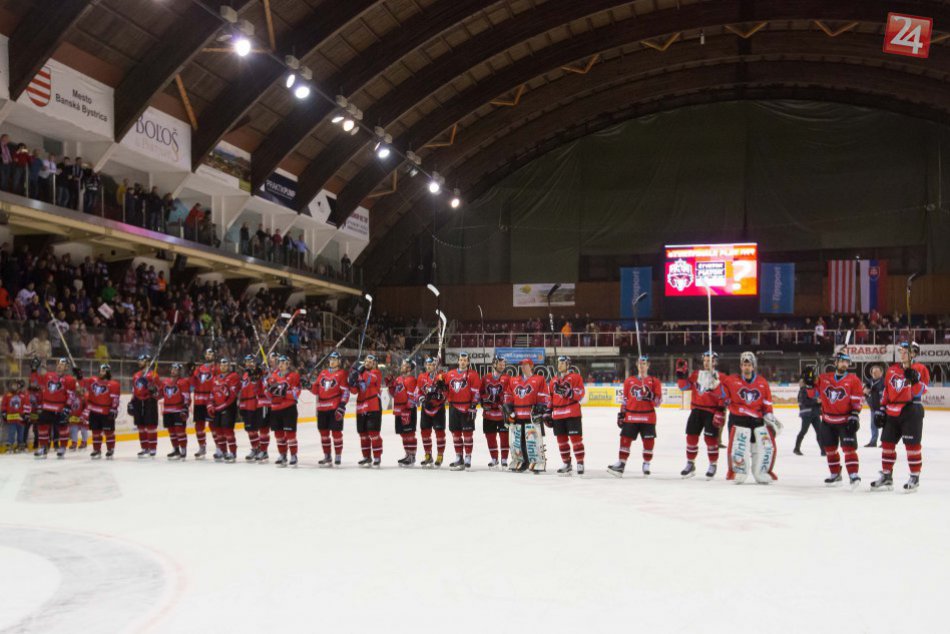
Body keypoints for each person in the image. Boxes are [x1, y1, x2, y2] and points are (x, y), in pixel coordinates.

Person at [873, 341, 929, 492]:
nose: (903, 354)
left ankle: (914, 476)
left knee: (912, 446)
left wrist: (915, 380)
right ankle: (887, 475)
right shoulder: (892, 370)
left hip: (911, 409)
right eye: (901, 351)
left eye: (906, 352)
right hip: (892, 410)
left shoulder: (920, 369)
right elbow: (886, 391)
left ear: (913, 354)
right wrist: (881, 409)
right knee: (887, 444)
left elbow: (922, 391)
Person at [720, 351, 782, 484]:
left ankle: (761, 472)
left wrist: (770, 417)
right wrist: (714, 384)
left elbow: (767, 404)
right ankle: (737, 471)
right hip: (737, 419)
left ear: (753, 366)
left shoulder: (762, 382)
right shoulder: (731, 380)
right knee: (738, 447)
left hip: (756, 420)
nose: (746, 367)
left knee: (758, 448)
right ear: (740, 366)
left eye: (749, 365)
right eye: (744, 365)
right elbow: (721, 392)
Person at [674, 352, 726, 479]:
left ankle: (713, 464)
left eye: (710, 361)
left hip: (711, 412)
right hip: (696, 410)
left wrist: (720, 410)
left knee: (710, 440)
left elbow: (725, 396)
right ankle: (690, 464)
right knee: (691, 437)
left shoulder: (721, 376)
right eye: (705, 360)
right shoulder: (696, 374)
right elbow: (684, 387)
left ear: (715, 362)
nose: (707, 363)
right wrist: (681, 375)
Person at [816, 351, 864, 488]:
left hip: (845, 420)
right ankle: (835, 474)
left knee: (849, 449)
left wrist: (855, 414)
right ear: (836, 362)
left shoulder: (853, 379)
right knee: (830, 449)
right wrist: (808, 382)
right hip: (827, 420)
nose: (844, 364)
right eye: (842, 361)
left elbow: (857, 399)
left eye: (846, 362)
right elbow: (813, 392)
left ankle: (853, 475)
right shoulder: (824, 378)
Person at [609, 355, 662, 477]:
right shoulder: (629, 381)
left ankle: (646, 463)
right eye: (639, 363)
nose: (641, 366)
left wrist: (650, 395)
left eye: (644, 363)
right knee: (625, 439)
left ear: (648, 366)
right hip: (631, 416)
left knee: (648, 442)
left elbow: (658, 403)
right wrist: (622, 414)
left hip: (648, 417)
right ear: (637, 365)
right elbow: (625, 399)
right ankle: (621, 463)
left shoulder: (654, 381)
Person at [506, 358, 549, 473]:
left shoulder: (539, 379)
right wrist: (509, 408)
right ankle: (522, 462)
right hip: (518, 416)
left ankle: (537, 462)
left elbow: (544, 396)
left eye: (525, 365)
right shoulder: (514, 380)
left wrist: (540, 407)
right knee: (519, 442)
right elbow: (509, 395)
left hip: (532, 416)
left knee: (533, 441)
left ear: (531, 366)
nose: (523, 367)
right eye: (522, 365)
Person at [548, 355, 586, 476]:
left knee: (576, 440)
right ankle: (566, 463)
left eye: (562, 363)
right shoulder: (553, 380)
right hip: (558, 415)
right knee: (562, 441)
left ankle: (580, 462)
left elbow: (580, 394)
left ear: (568, 365)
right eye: (558, 363)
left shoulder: (576, 377)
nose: (559, 365)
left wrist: (567, 392)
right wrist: (548, 412)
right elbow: (550, 398)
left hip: (572, 413)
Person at [310, 351, 349, 466]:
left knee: (336, 432)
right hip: (322, 408)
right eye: (331, 359)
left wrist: (342, 405)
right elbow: (316, 390)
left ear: (339, 362)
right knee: (324, 433)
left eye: (335, 360)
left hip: (334, 408)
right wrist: (308, 386)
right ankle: (327, 456)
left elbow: (345, 391)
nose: (332, 361)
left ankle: (338, 455)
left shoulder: (342, 373)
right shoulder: (323, 373)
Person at [36, 358, 79, 459]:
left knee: (63, 428)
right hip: (47, 407)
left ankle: (62, 447)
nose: (59, 366)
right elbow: (38, 382)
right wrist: (35, 369)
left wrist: (67, 408)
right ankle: (43, 447)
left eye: (62, 365)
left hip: (60, 409)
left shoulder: (70, 380)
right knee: (42, 427)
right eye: (58, 364)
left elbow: (71, 395)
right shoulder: (48, 375)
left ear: (66, 367)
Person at [445, 351, 481, 470]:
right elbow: (445, 391)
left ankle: (468, 456)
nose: (462, 362)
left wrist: (473, 405)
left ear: (468, 362)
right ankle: (458, 456)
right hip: (453, 407)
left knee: (467, 434)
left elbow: (476, 392)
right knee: (456, 434)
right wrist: (441, 387)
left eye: (465, 360)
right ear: (458, 361)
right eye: (461, 360)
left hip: (467, 408)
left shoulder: (473, 375)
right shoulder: (450, 374)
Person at [348, 353, 383, 468]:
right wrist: (352, 380)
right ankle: (366, 457)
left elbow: (369, 380)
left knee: (373, 433)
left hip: (373, 405)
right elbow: (354, 391)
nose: (367, 363)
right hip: (361, 406)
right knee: (363, 434)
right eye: (366, 361)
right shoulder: (361, 373)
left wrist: (358, 372)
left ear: (375, 364)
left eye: (370, 362)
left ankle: (377, 457)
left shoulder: (376, 373)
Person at [268, 355, 301, 467]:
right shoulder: (273, 377)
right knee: (278, 435)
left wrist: (283, 393)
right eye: (279, 362)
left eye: (283, 362)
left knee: (290, 434)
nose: (281, 364)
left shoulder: (294, 376)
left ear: (288, 364)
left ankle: (293, 455)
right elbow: (268, 394)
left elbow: (296, 394)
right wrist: (269, 390)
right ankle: (282, 455)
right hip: (275, 409)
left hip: (289, 409)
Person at [479, 355, 511, 469]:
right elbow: (480, 393)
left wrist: (501, 400)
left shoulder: (507, 378)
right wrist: (485, 399)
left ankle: (504, 459)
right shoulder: (485, 378)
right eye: (500, 364)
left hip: (502, 414)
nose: (502, 366)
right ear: (494, 364)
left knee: (504, 436)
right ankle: (494, 458)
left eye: (503, 364)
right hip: (489, 414)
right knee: (490, 436)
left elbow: (509, 393)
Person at [83, 363, 120, 460]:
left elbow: (115, 398)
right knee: (96, 432)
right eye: (100, 370)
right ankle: (96, 450)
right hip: (94, 411)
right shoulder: (93, 380)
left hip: (106, 412)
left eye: (103, 371)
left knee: (109, 432)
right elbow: (83, 385)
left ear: (108, 372)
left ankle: (110, 449)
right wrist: (79, 376)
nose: (101, 372)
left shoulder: (113, 384)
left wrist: (114, 409)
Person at [416, 356, 447, 467]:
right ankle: (428, 455)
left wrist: (442, 391)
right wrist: (423, 401)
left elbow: (447, 392)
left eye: (431, 365)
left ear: (436, 366)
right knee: (425, 432)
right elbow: (418, 392)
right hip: (426, 409)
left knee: (440, 433)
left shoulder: (441, 376)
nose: (429, 367)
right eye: (427, 365)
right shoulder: (421, 377)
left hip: (438, 409)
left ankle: (440, 455)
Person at [208, 357, 240, 462]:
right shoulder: (215, 378)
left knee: (228, 430)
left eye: (225, 365)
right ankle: (223, 451)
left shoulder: (234, 376)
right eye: (222, 365)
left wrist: (219, 407)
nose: (223, 367)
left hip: (229, 408)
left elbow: (232, 396)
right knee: (218, 430)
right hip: (217, 408)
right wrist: (210, 405)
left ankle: (233, 453)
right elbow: (212, 393)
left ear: (229, 366)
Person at [388, 359, 419, 467]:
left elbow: (412, 396)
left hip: (407, 410)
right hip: (399, 409)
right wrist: (390, 386)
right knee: (403, 434)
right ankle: (407, 454)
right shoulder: (398, 379)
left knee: (410, 434)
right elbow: (393, 394)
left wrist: (408, 409)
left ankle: (412, 456)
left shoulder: (411, 380)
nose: (402, 366)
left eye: (404, 365)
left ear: (409, 368)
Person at [159, 363, 192, 460]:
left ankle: (183, 450)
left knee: (180, 431)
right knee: (172, 432)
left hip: (178, 410)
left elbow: (187, 397)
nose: (173, 371)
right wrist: (153, 391)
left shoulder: (183, 382)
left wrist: (185, 407)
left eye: (176, 369)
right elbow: (159, 395)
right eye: (172, 369)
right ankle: (176, 449)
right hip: (167, 410)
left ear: (180, 371)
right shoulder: (165, 382)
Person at [130, 354, 160, 458]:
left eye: (141, 360)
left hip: (149, 401)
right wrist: (131, 401)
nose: (139, 362)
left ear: (147, 362)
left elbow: (159, 391)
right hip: (138, 401)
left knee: (151, 426)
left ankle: (152, 448)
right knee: (140, 427)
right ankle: (144, 448)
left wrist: (154, 390)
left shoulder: (153, 375)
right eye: (138, 360)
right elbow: (134, 389)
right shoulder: (136, 375)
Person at [189, 348, 217, 459]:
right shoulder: (199, 369)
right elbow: (193, 384)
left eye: (211, 353)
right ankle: (202, 447)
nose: (208, 355)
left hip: (210, 400)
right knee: (199, 426)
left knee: (213, 425)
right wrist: (191, 374)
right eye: (207, 354)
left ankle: (219, 447)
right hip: (199, 400)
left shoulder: (217, 368)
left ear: (214, 355)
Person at [238, 355, 264, 462]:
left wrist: (258, 374)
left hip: (254, 403)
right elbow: (242, 390)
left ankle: (259, 449)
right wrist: (241, 404)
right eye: (247, 361)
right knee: (249, 429)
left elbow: (261, 385)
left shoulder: (258, 372)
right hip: (246, 403)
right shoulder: (245, 374)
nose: (248, 363)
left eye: (250, 361)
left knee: (254, 429)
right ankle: (255, 447)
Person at [794, 366, 823, 456]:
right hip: (807, 414)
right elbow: (805, 402)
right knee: (803, 431)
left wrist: (819, 404)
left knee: (820, 432)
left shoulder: (815, 388)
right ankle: (796, 448)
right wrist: (816, 401)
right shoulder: (803, 390)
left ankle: (823, 450)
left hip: (815, 413)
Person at [1, 379, 26, 453]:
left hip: (20, 418)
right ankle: (10, 445)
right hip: (11, 418)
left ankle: (20, 445)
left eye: (15, 385)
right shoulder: (7, 395)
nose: (14, 387)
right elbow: (4, 405)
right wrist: (4, 413)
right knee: (11, 432)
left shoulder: (22, 395)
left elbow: (26, 405)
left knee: (21, 432)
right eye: (12, 385)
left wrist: (26, 414)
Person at [863, 365, 885, 447]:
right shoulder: (869, 382)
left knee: (885, 425)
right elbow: (864, 391)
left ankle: (884, 442)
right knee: (873, 425)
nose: (874, 374)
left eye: (876, 372)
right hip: (873, 408)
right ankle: (873, 441)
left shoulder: (884, 382)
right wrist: (865, 392)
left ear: (881, 373)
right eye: (873, 372)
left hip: (883, 408)